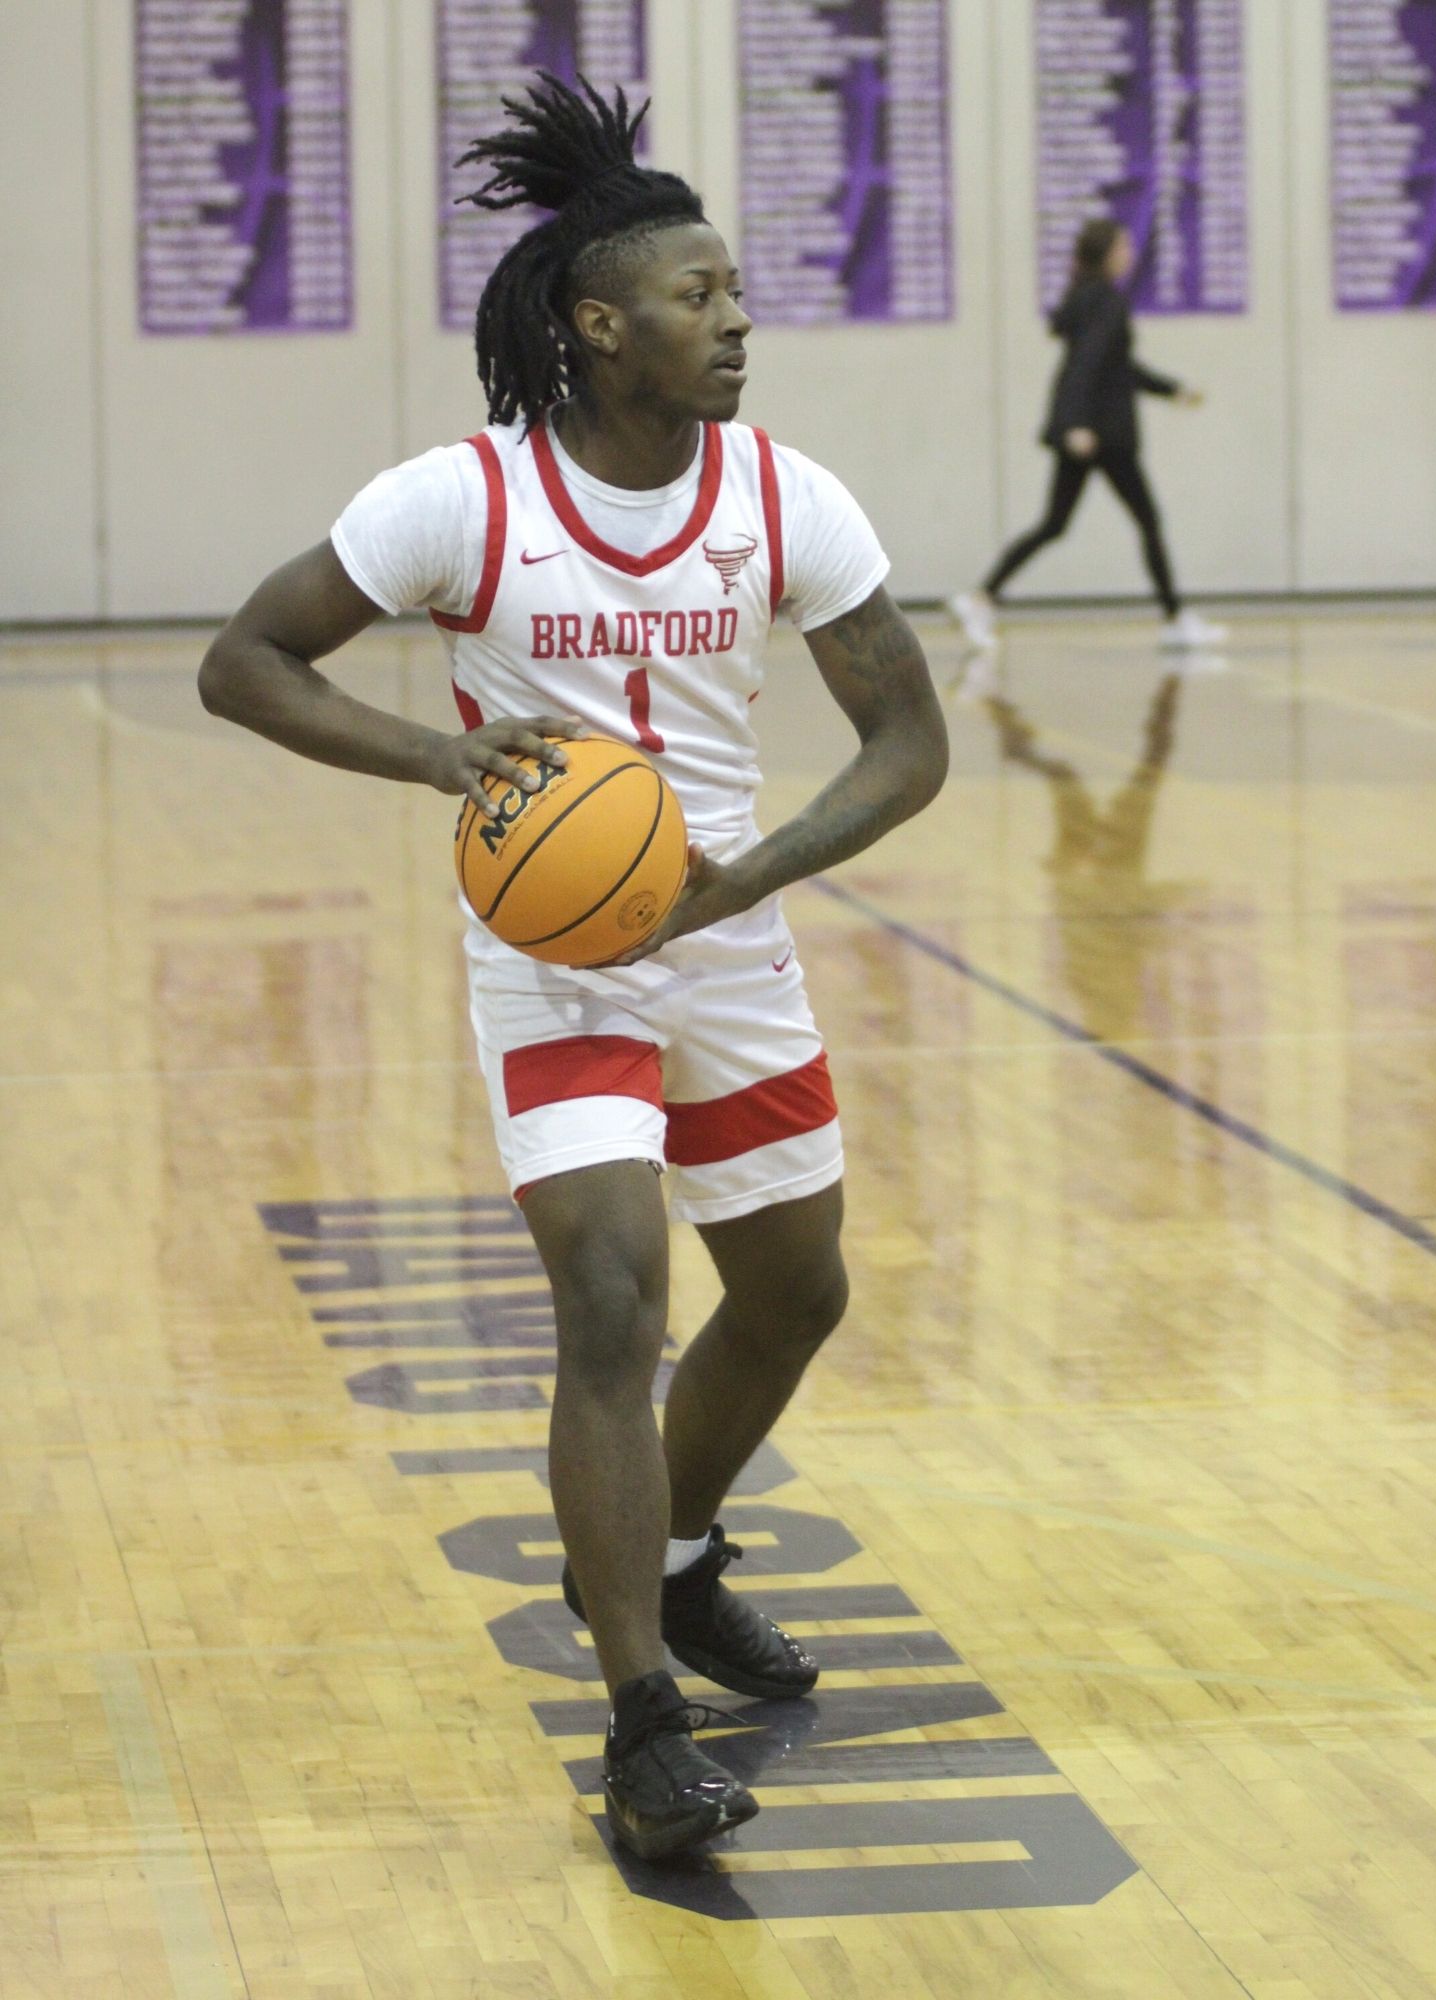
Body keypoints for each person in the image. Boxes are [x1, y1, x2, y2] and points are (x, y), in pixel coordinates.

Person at [198, 75, 948, 1861]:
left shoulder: (784, 494)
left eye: (737, 291)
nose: (739, 318)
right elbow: (247, 662)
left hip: (723, 931)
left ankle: (679, 1554)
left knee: (796, 1297)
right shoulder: (460, 501)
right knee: (614, 1298)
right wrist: (446, 759)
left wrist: (744, 872)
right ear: (599, 323)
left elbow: (908, 741)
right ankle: (639, 1726)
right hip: (552, 958)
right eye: (700, 296)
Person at [950, 218, 1224, 652]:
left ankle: (980, 599)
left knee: (1056, 525)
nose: (1131, 253)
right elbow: (1085, 367)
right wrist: (1074, 425)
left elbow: (1117, 368)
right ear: (1109, 254)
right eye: (1124, 246)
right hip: (1104, 436)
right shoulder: (1107, 303)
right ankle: (1174, 618)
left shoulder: (1090, 300)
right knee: (1146, 521)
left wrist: (1172, 390)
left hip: (1091, 433)